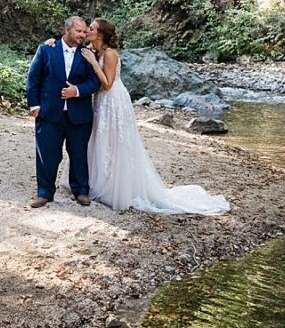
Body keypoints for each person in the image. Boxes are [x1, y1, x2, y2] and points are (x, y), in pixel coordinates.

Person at [46, 19, 229, 215]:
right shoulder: (91, 48)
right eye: (86, 28)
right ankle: (94, 182)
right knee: (97, 139)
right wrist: (52, 42)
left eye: (91, 28)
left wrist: (93, 63)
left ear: (100, 34)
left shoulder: (109, 54)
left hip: (114, 101)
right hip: (99, 101)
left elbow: (107, 84)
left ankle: (115, 187)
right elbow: (69, 44)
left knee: (115, 142)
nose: (86, 31)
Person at [26, 16, 103, 208]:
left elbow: (95, 83)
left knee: (78, 154)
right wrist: (34, 107)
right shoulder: (46, 49)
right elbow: (33, 79)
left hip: (79, 115)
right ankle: (44, 193)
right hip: (49, 113)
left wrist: (76, 91)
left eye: (85, 32)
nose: (82, 35)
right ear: (67, 29)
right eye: (79, 31)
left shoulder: (87, 54)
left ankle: (81, 191)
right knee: (47, 153)